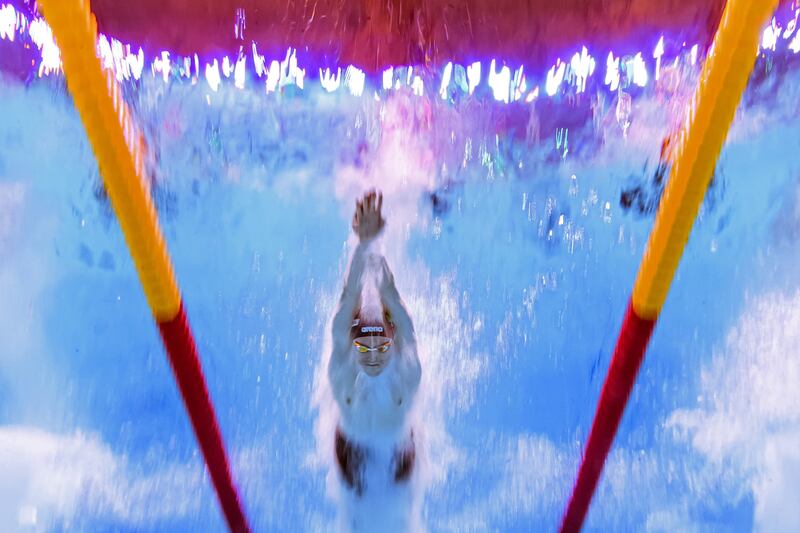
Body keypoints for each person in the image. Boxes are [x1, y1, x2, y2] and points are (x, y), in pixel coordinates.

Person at [328, 190, 422, 496]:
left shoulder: (407, 371)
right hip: (351, 448)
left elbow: (391, 296)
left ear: (392, 338)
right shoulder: (342, 371)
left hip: (398, 448)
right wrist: (365, 243)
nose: (371, 356)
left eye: (379, 346)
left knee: (399, 499)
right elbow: (347, 302)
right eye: (363, 347)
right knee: (356, 501)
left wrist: (371, 243)